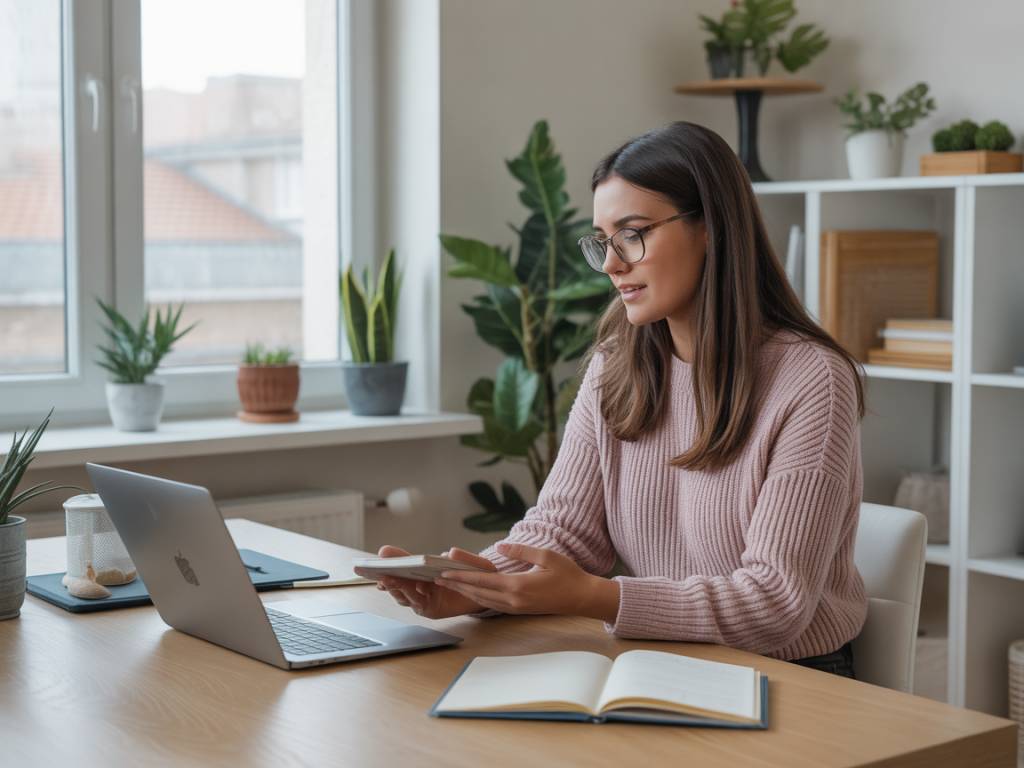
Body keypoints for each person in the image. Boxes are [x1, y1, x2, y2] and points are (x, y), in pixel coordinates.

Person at [372, 121, 868, 678]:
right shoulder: (619, 362)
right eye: (603, 242)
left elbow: (775, 604)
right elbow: (561, 531)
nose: (611, 264)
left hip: (797, 678)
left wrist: (597, 598)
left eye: (632, 234)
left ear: (712, 228)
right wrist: (471, 591)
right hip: (664, 660)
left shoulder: (810, 379)